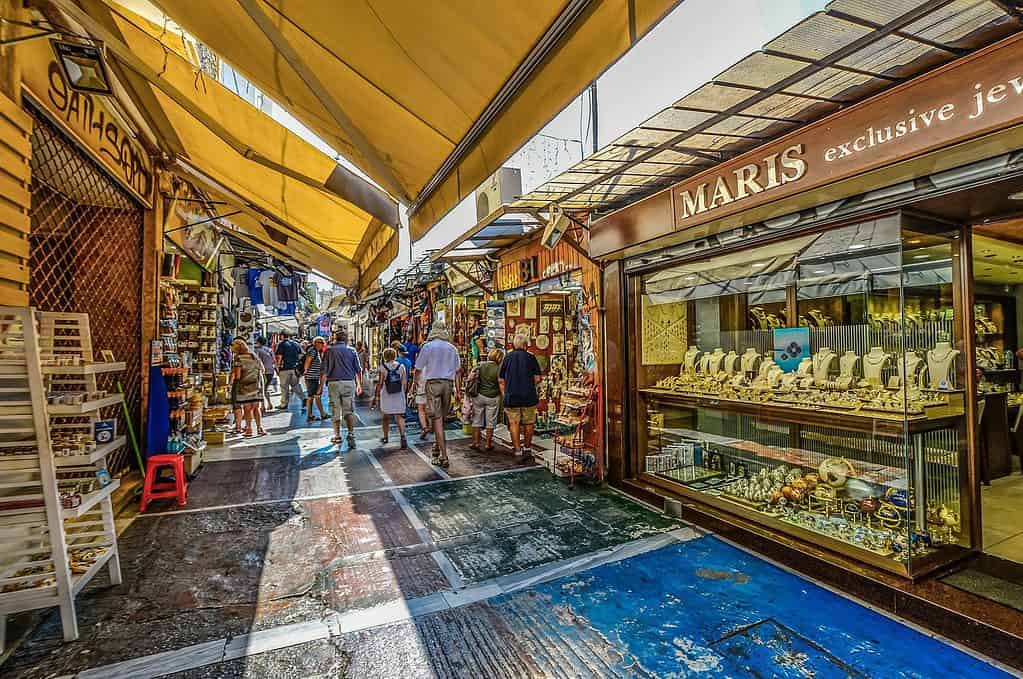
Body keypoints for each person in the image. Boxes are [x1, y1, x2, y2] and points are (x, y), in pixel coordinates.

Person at [414, 322, 461, 467]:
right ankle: (436, 447)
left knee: (438, 419)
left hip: (433, 384)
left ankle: (444, 455)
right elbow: (458, 370)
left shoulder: (428, 347)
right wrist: (458, 390)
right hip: (448, 384)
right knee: (441, 418)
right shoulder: (452, 348)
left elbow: (418, 368)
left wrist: (416, 383)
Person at [499, 333, 542, 458]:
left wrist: (504, 393)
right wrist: (528, 383)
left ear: (514, 344)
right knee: (529, 423)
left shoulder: (507, 358)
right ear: (525, 345)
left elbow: (501, 380)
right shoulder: (531, 358)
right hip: (528, 396)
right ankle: (527, 448)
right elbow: (538, 378)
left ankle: (517, 450)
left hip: (511, 396)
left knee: (514, 423)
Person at [320, 330, 363, 448]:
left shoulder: (329, 351)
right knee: (349, 410)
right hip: (349, 382)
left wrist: (320, 387)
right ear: (346, 339)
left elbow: (324, 371)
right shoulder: (352, 350)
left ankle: (337, 435)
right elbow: (358, 370)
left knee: (335, 410)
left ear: (335, 339)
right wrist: (359, 385)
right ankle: (351, 433)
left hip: (333, 383)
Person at [372, 347, 409, 449]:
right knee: (399, 416)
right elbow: (405, 383)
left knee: (385, 417)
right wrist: (403, 393)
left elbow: (380, 383)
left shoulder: (383, 367)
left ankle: (385, 436)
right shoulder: (401, 367)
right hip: (399, 394)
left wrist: (376, 396)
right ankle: (402, 436)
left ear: (384, 356)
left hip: (386, 395)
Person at [470, 348, 503, 453]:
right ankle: (488, 444)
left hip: (479, 396)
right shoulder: (499, 369)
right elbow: (501, 383)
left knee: (477, 420)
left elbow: (471, 376)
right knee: (490, 421)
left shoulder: (480, 365)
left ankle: (475, 442)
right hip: (493, 397)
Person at [231, 339, 266, 437]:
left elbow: (238, 376)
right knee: (256, 408)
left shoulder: (238, 359)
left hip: (245, 386)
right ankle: (260, 428)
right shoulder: (254, 356)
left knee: (247, 408)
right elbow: (263, 369)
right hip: (257, 384)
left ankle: (249, 429)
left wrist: (231, 379)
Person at [275, 334, 306, 410]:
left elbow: (279, 357)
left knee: (284, 387)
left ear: (282, 336)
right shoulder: (296, 344)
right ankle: (303, 398)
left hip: (284, 368)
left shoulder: (281, 344)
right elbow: (301, 355)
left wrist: (277, 367)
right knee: (296, 385)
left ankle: (284, 404)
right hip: (295, 369)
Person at [303, 337, 328, 423]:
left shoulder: (316, 352)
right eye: (321, 342)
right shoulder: (312, 351)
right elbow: (307, 362)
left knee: (314, 396)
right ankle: (314, 415)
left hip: (314, 377)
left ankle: (318, 414)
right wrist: (306, 372)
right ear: (316, 343)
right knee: (313, 397)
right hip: (311, 377)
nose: (322, 344)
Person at [254, 337, 277, 414]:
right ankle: (269, 404)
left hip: (263, 372)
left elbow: (257, 361)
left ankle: (263, 407)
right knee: (265, 388)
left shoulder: (257, 350)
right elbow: (274, 360)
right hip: (271, 371)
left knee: (262, 389)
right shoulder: (269, 350)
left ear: (258, 342)